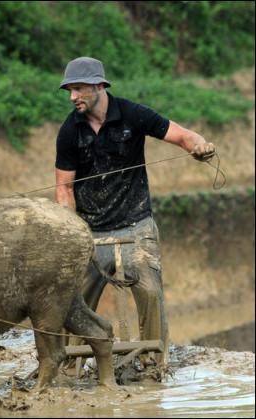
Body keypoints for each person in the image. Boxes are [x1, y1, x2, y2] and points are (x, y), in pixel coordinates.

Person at [55, 57, 215, 365]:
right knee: (73, 300)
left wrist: (200, 146)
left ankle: (152, 365)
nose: (72, 97)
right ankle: (68, 364)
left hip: (135, 224)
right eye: (69, 91)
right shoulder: (69, 131)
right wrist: (74, 231)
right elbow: (64, 188)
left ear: (98, 86)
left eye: (78, 89)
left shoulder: (132, 114)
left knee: (150, 292)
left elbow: (182, 136)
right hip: (91, 229)